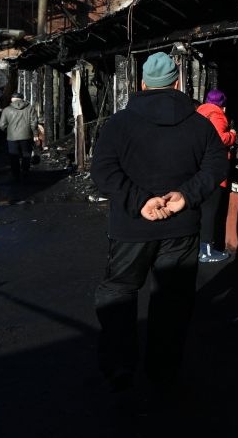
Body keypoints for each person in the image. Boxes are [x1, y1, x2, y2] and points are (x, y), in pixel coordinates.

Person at [89, 52, 227, 394]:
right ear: (178, 84)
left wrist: (140, 202)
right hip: (181, 227)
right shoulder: (201, 125)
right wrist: (184, 196)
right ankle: (163, 372)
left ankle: (121, 366)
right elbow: (215, 169)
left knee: (119, 291)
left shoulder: (119, 124)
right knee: (172, 300)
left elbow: (103, 172)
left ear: (142, 85)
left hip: (130, 228)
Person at [195, 88, 236, 263]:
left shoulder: (199, 113)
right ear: (223, 106)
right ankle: (206, 250)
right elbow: (220, 138)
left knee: (202, 209)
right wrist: (232, 135)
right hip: (213, 169)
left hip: (199, 167)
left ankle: (199, 246)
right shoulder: (217, 115)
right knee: (211, 210)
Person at [0, 92, 37, 179]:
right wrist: (35, 134)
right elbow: (33, 123)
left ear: (12, 99)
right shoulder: (30, 108)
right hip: (27, 136)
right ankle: (25, 171)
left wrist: (8, 131)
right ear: (22, 99)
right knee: (26, 154)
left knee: (13, 156)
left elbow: (2, 124)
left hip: (12, 137)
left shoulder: (7, 110)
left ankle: (16, 174)